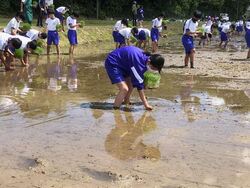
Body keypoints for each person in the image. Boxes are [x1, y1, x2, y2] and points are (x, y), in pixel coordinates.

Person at [104, 46, 165, 110]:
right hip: (113, 62)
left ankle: (126, 102)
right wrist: (146, 104)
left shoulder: (145, 58)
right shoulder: (138, 62)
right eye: (153, 68)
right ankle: (116, 110)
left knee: (131, 85)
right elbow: (139, 87)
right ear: (149, 62)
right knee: (124, 89)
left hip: (125, 64)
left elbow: (138, 79)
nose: (152, 70)